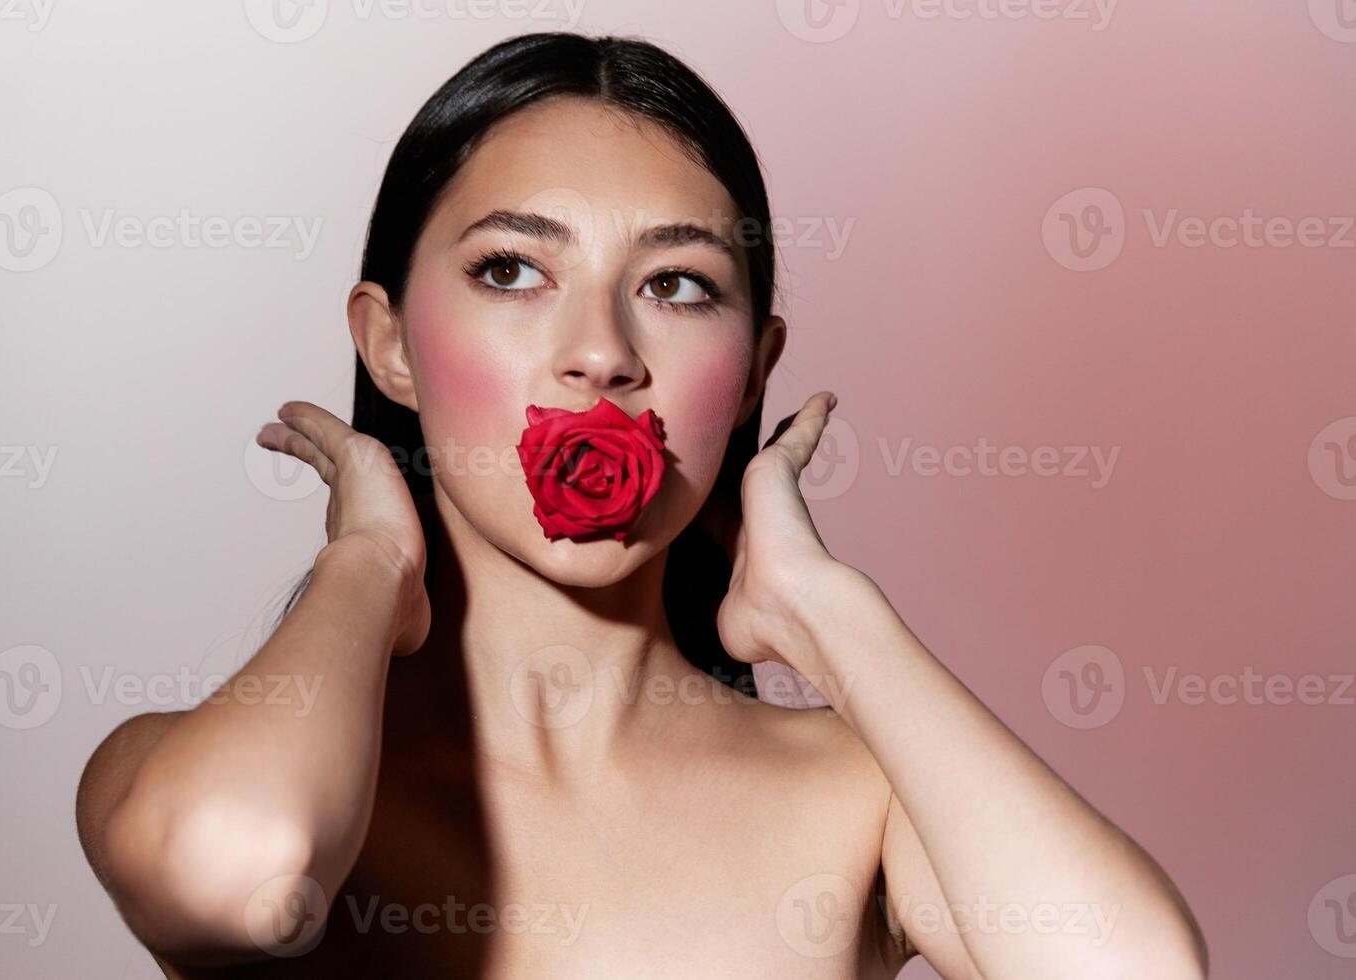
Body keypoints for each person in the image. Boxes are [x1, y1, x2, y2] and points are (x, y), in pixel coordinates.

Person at [75, 31, 1209, 978]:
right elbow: (239, 873)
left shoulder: (857, 797)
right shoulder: (234, 773)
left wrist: (824, 612)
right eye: (513, 269)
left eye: (677, 285)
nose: (604, 354)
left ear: (755, 369)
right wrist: (368, 562)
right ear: (388, 346)